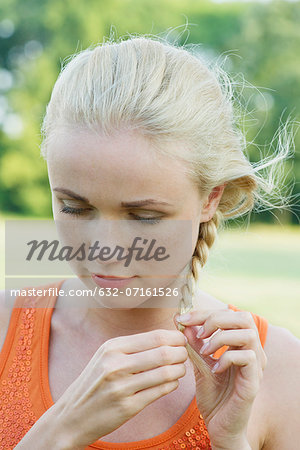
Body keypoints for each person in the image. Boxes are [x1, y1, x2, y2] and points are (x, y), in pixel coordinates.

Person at [0, 34, 299, 450]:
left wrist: (231, 439)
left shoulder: (279, 369)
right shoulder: (5, 327)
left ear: (211, 198)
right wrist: (60, 431)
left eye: (144, 217)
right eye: (75, 208)